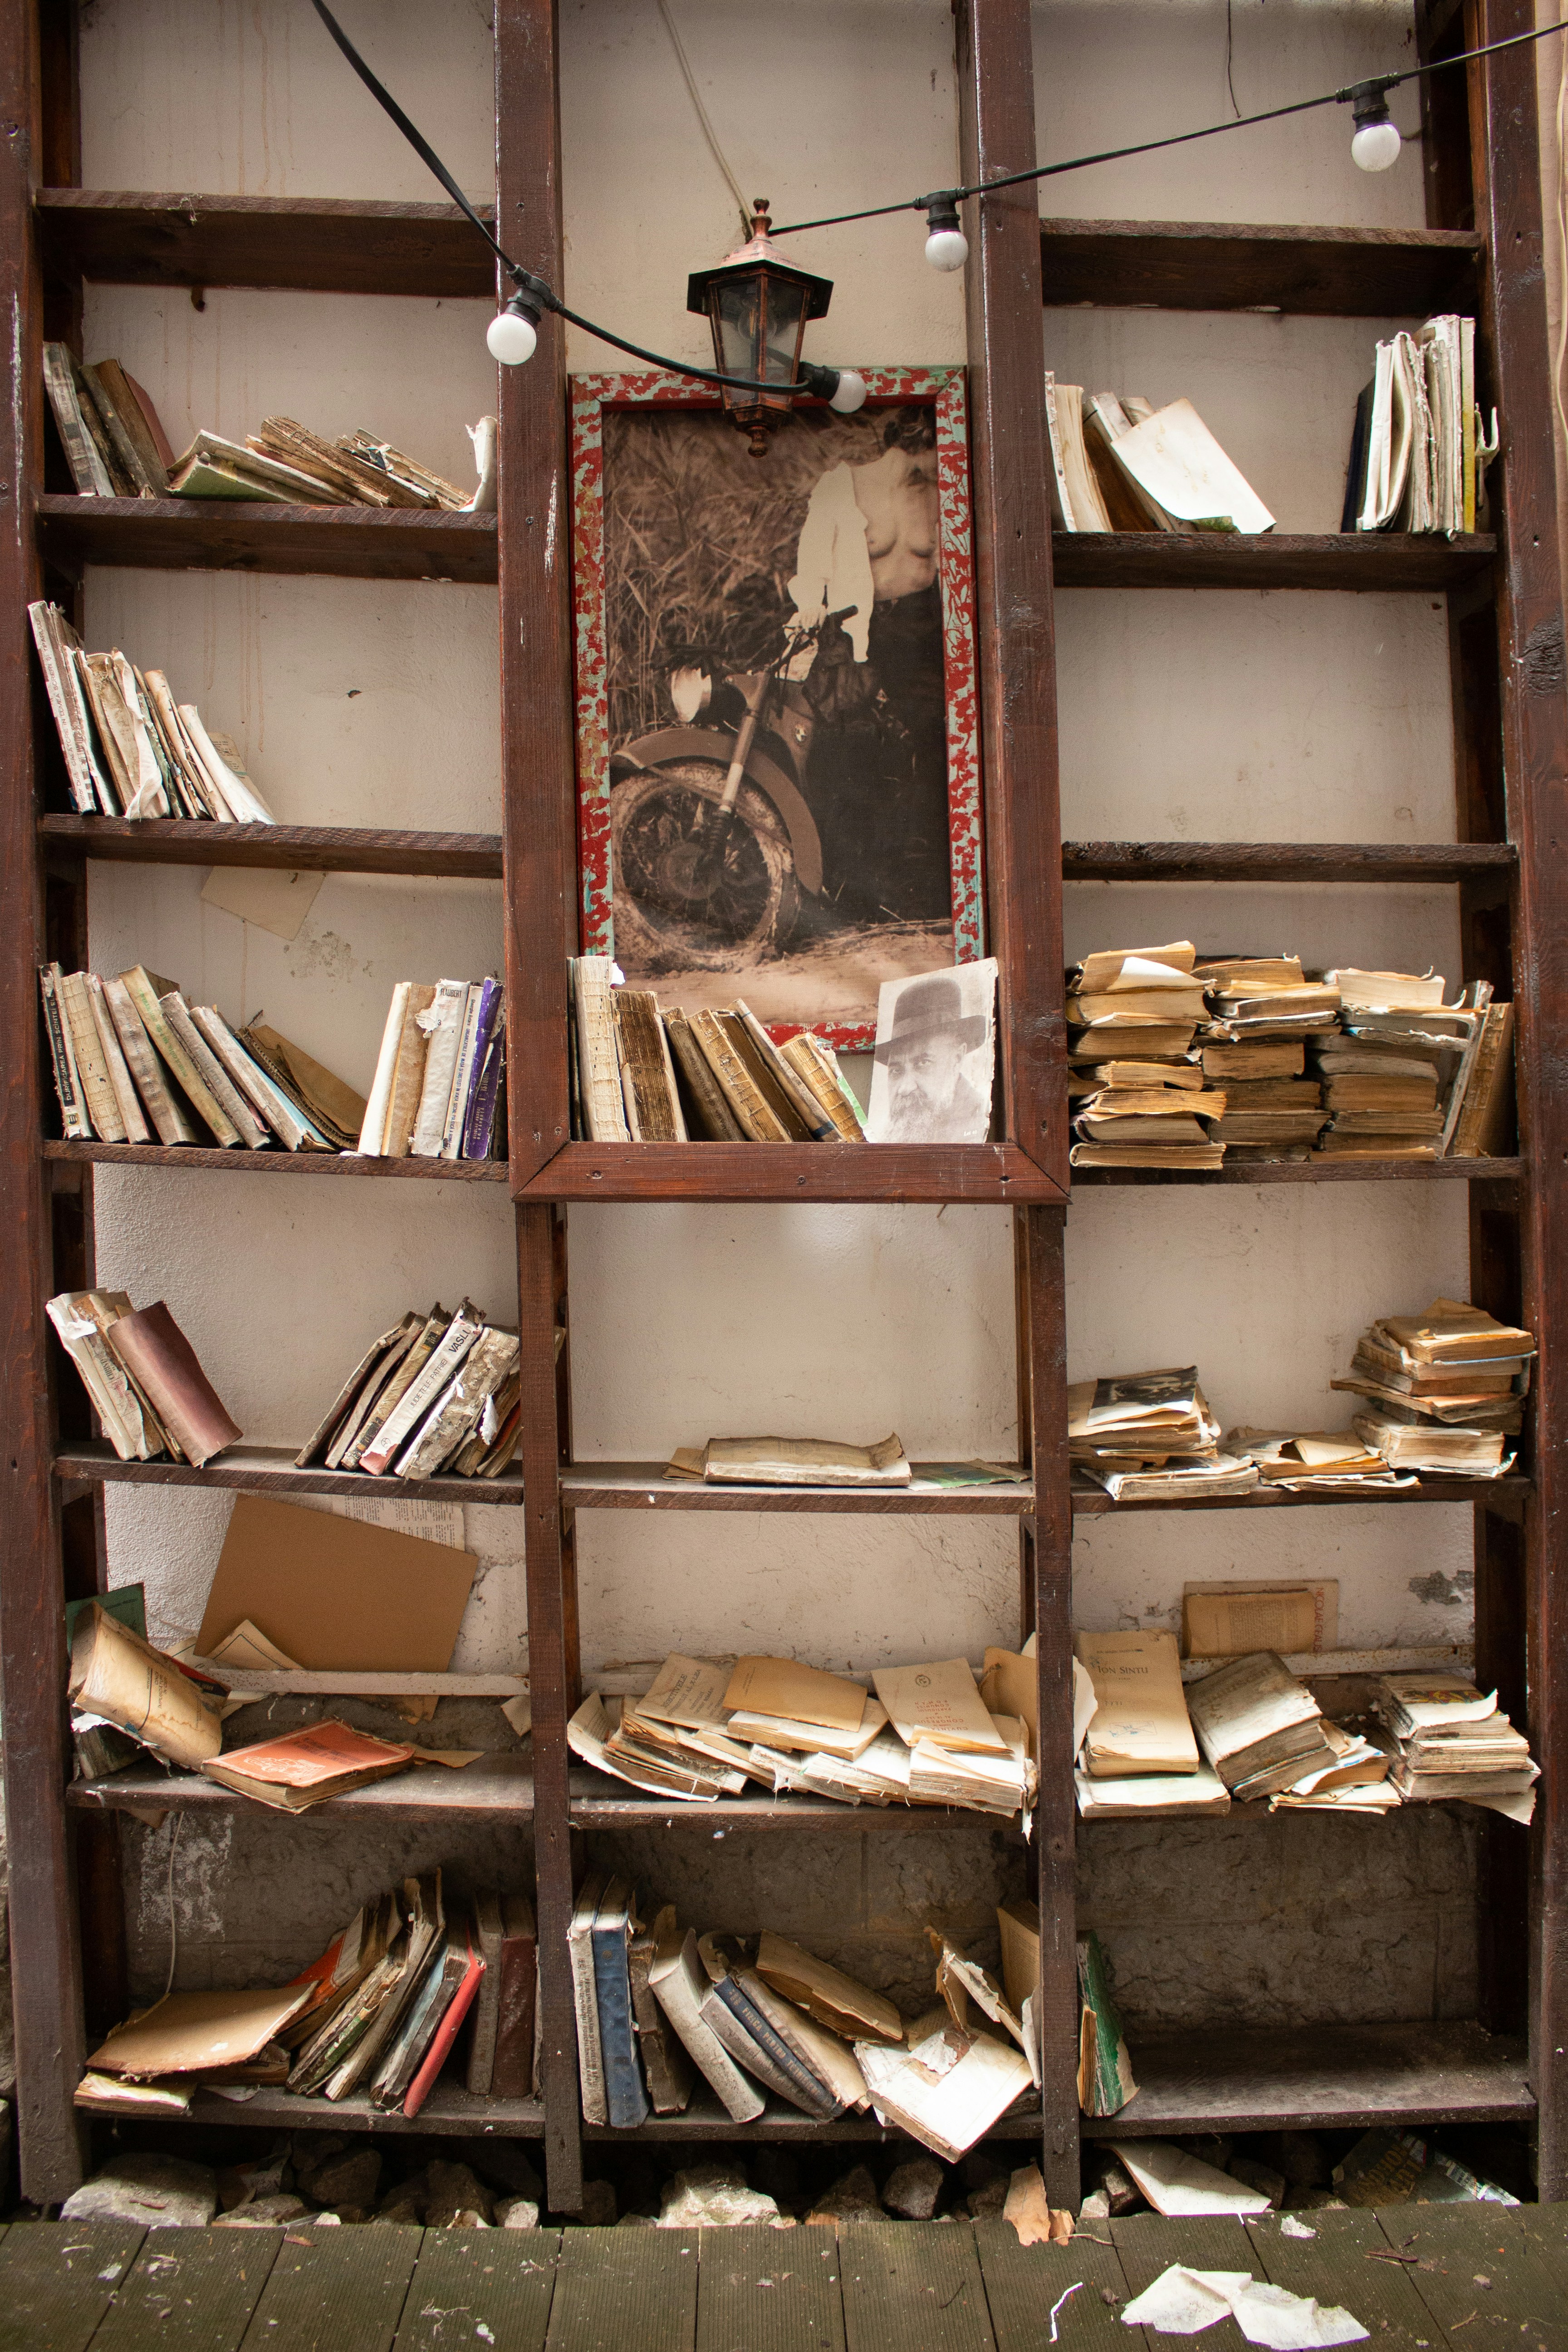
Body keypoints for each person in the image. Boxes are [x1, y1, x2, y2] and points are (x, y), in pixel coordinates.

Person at [787, 411, 950, 926]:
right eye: (934, 453)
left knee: (932, 746)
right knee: (846, 753)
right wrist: (810, 606)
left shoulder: (948, 492)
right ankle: (852, 892)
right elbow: (811, 565)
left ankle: (930, 889)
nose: (940, 464)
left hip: (925, 629)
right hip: (856, 629)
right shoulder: (845, 487)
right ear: (913, 444)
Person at [874, 971, 992, 1142]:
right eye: (896, 1070)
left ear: (957, 1059)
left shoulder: (979, 1119)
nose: (905, 1088)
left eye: (923, 1063)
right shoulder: (897, 1132)